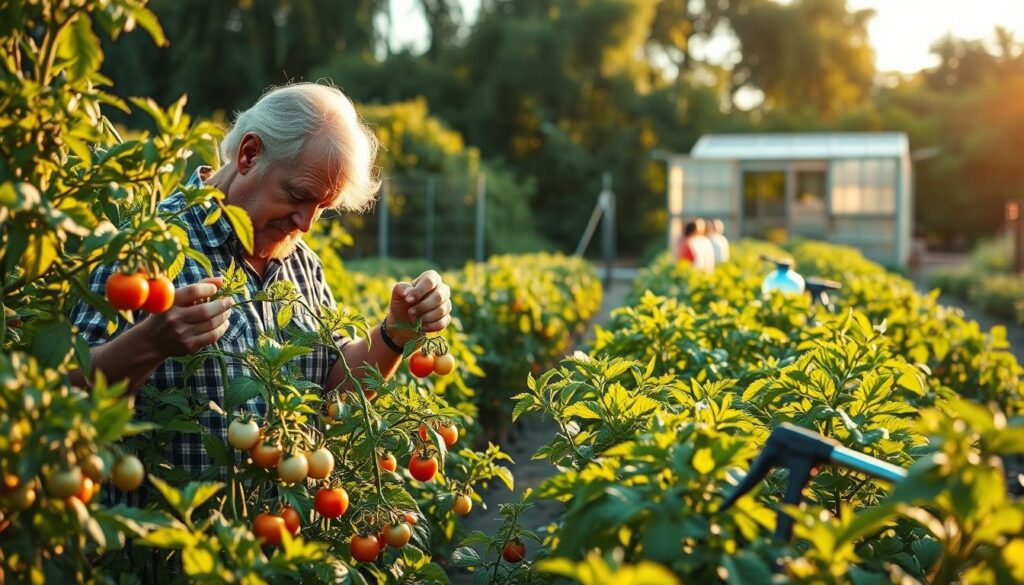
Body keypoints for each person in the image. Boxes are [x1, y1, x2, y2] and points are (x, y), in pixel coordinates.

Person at [70, 82, 452, 478]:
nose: (305, 223)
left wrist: (395, 332)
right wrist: (150, 342)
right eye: (299, 195)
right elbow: (67, 390)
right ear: (249, 154)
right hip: (170, 533)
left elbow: (331, 389)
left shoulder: (301, 263)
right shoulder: (149, 245)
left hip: (276, 532)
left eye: (322, 207)